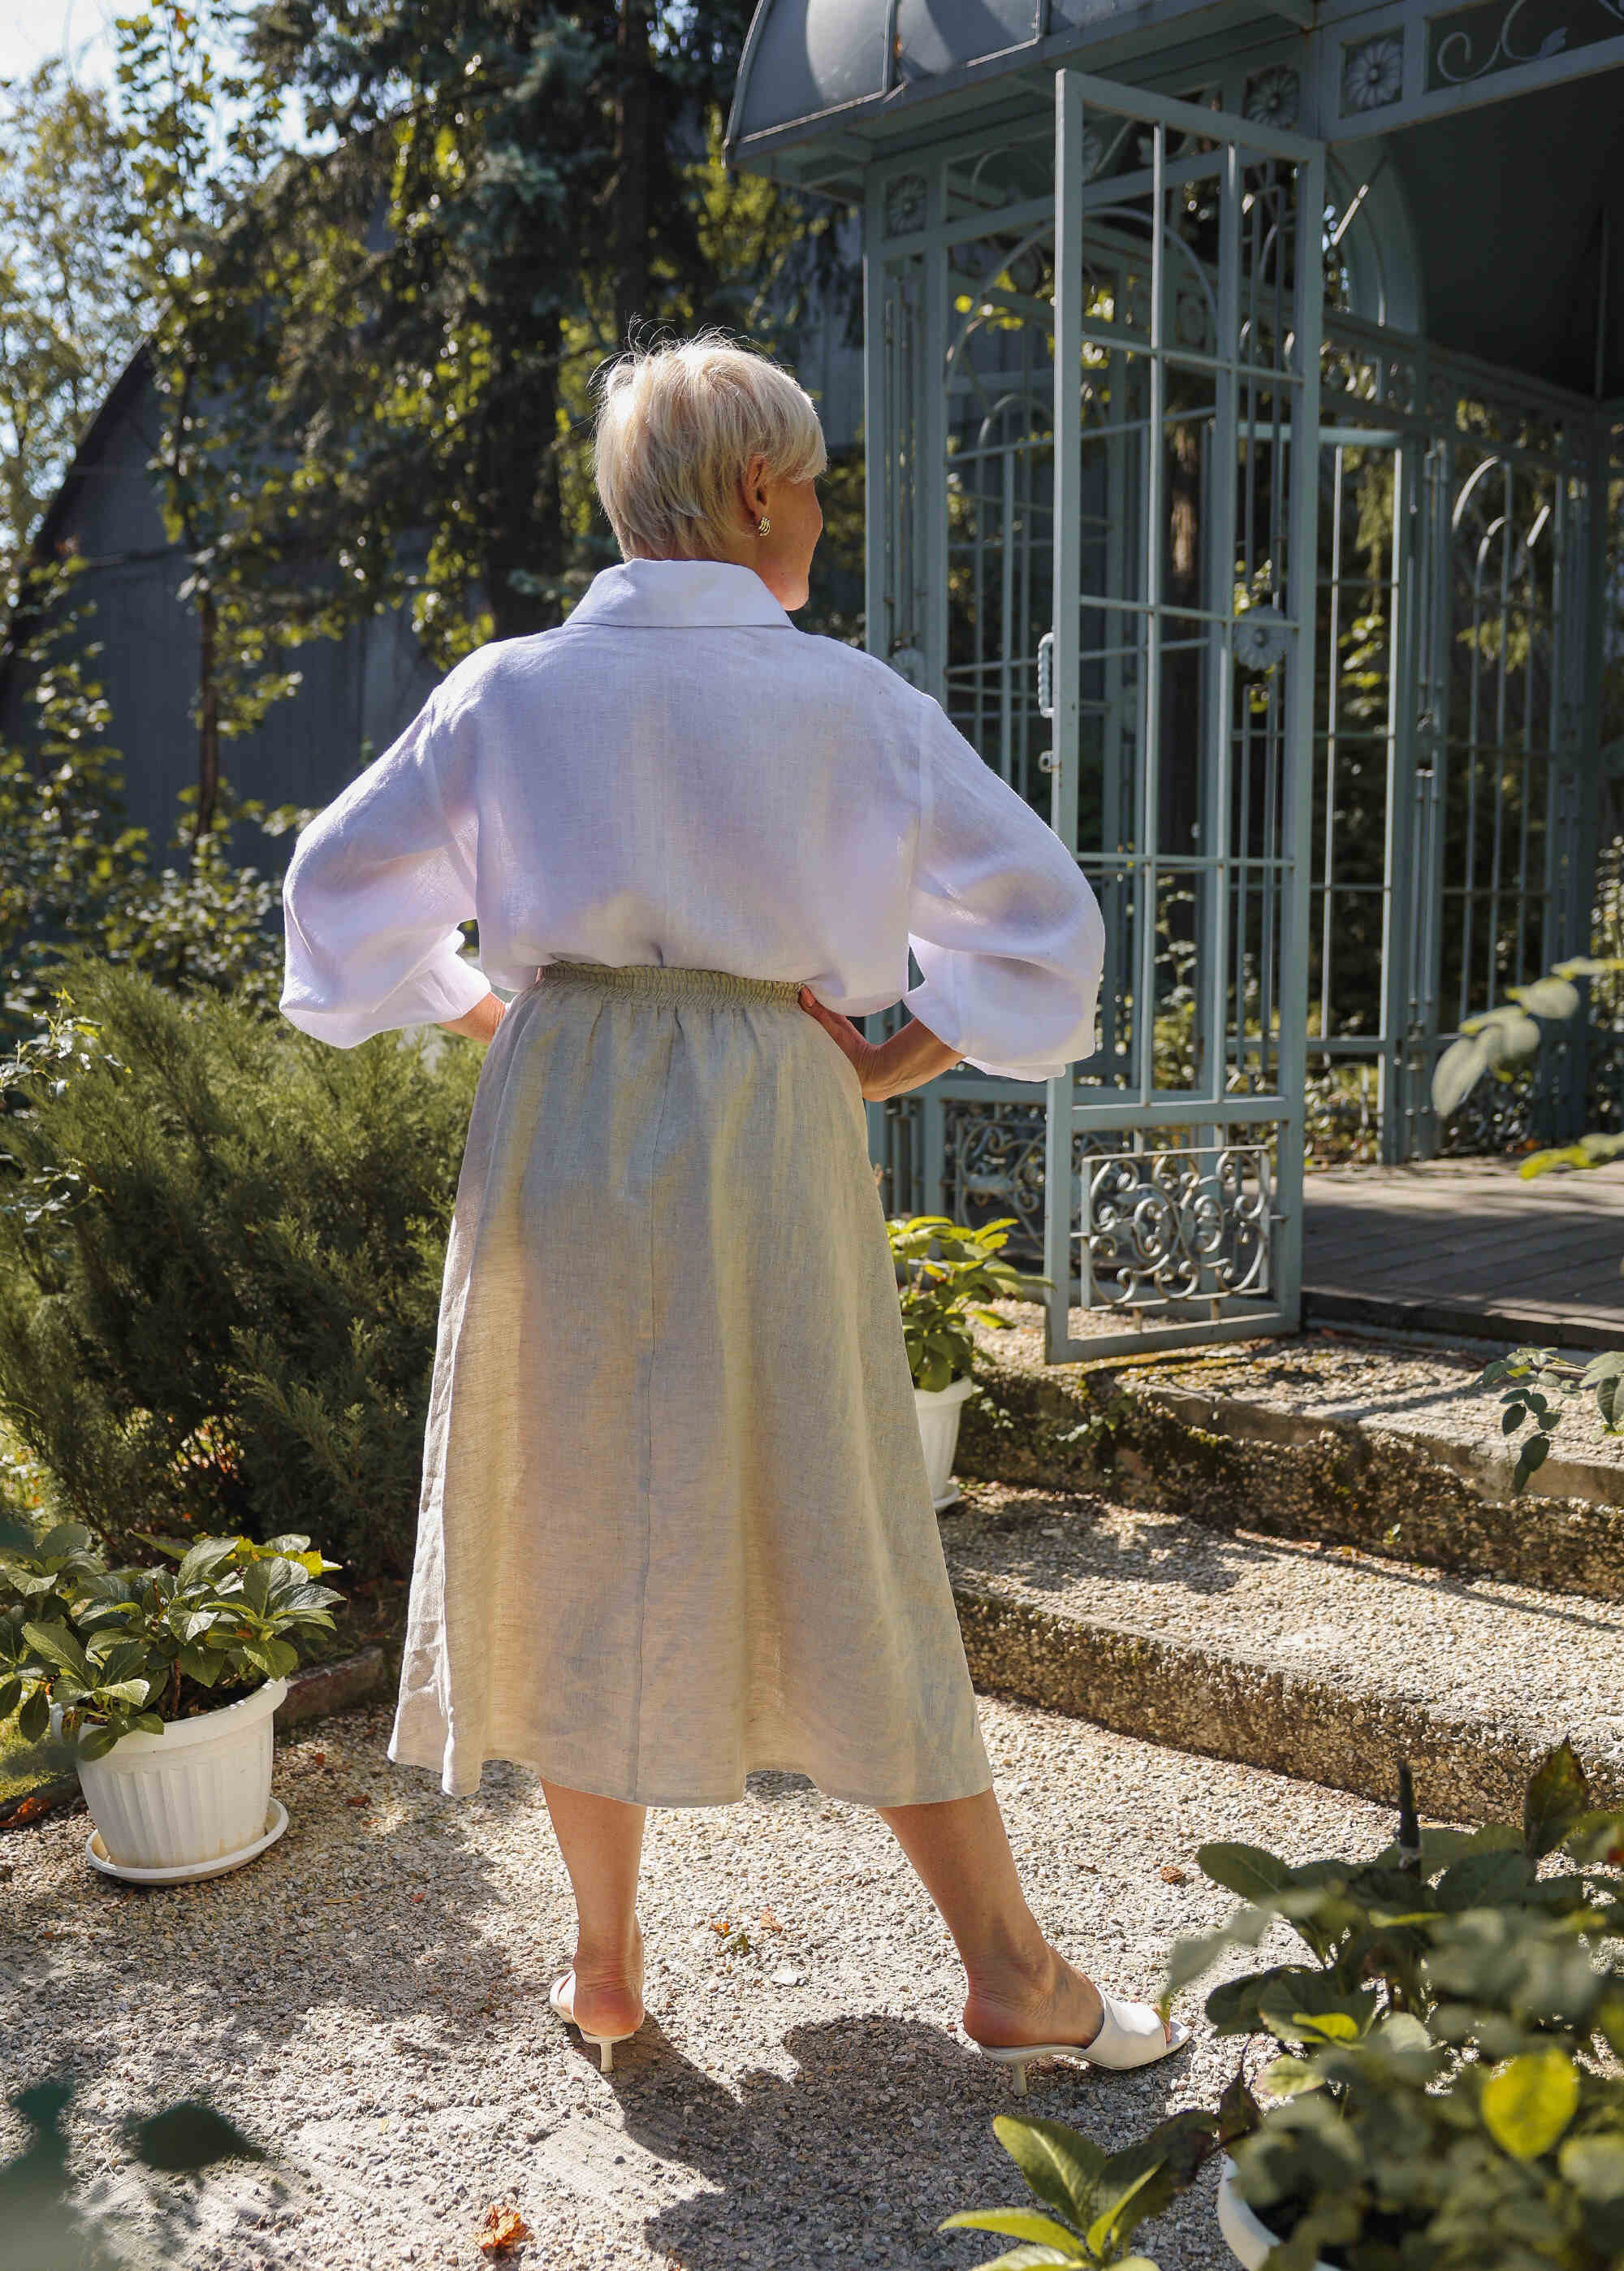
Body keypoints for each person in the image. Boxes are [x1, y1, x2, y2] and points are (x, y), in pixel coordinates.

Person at [279, 331, 1186, 2096]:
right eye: (819, 485)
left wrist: (489, 1012)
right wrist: (895, 1056)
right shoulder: (847, 704)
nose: (824, 517)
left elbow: (336, 893)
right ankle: (1005, 1968)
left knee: (566, 1502)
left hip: (555, 1112)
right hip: (767, 1112)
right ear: (760, 490)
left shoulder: (505, 689)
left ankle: (603, 1966)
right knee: (838, 1501)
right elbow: (1046, 933)